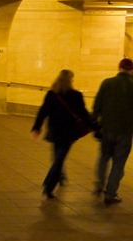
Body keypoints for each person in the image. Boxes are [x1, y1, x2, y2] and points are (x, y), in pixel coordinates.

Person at [31, 69, 92, 199]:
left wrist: (37, 127)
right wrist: (95, 126)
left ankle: (57, 180)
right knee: (59, 159)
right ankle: (48, 184)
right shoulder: (76, 95)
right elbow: (83, 113)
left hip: (54, 131)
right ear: (70, 80)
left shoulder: (52, 94)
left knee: (57, 157)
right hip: (68, 133)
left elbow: (43, 111)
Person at [92, 58, 133, 204]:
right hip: (125, 132)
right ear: (131, 70)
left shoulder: (107, 83)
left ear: (119, 68)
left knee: (104, 157)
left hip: (107, 129)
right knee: (118, 163)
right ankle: (110, 193)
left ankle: (99, 184)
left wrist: (94, 123)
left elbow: (97, 105)